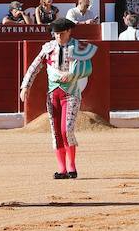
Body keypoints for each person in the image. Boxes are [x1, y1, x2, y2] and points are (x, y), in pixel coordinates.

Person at [20, 17, 95, 179]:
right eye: (55, 34)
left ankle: (71, 166)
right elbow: (34, 66)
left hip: (71, 94)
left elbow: (86, 68)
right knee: (56, 132)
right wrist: (25, 85)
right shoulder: (48, 48)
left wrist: (72, 74)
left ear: (69, 31)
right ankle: (61, 169)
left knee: (66, 130)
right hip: (53, 94)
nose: (58, 36)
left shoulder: (78, 47)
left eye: (61, 33)